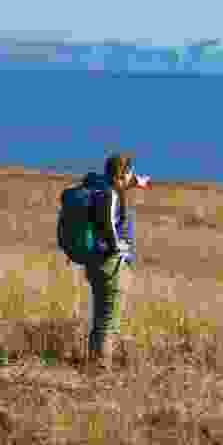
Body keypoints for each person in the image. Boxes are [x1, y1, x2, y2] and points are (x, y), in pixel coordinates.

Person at [82, 152, 139, 372]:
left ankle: (93, 362)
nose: (132, 177)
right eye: (130, 173)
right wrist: (119, 248)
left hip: (97, 263)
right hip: (111, 263)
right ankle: (100, 368)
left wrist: (138, 181)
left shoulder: (100, 188)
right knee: (110, 323)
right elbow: (108, 226)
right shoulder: (111, 195)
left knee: (100, 319)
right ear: (122, 174)